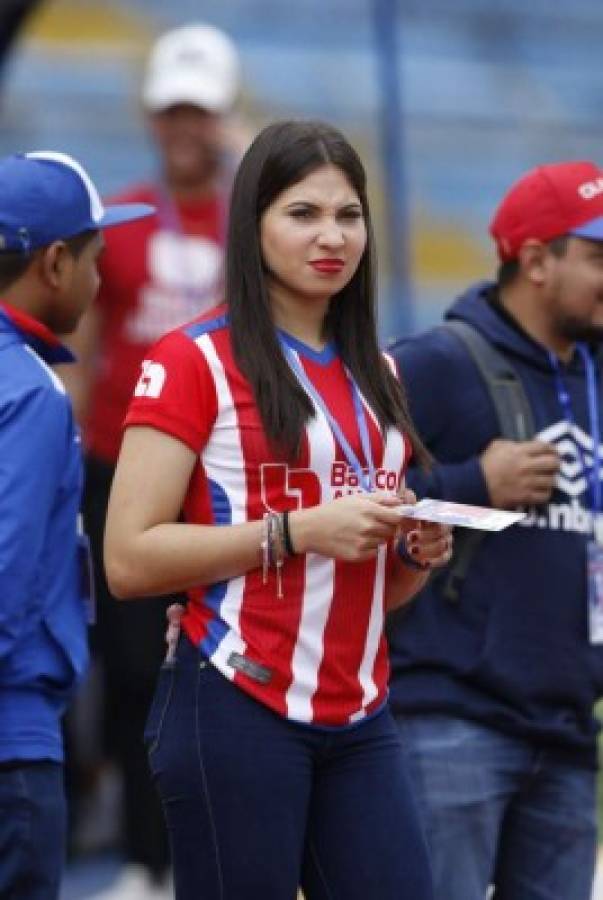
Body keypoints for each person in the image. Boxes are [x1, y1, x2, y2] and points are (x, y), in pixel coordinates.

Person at [103, 119, 453, 900]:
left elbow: (371, 591)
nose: (331, 236)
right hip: (236, 701)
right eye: (302, 213)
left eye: (348, 214)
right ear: (251, 223)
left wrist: (412, 555)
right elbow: (127, 560)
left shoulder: (383, 375)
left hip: (361, 712)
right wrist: (295, 530)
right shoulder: (191, 359)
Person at [59, 23, 245, 897]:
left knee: (226, 669)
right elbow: (82, 352)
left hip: (224, 477)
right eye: (171, 109)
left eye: (199, 113)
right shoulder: (120, 225)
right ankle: (143, 859)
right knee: (133, 669)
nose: (184, 127)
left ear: (223, 119)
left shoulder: (260, 226)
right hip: (117, 467)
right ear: (148, 114)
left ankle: (212, 853)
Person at [387, 160, 603, 900]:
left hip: (571, 734)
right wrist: (471, 484)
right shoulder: (436, 364)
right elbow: (346, 502)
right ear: (536, 260)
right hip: (451, 722)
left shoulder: (595, 374)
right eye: (598, 255)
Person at [0, 151, 153, 900]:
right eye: (96, 257)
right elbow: (6, 581)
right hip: (11, 748)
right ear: (56, 262)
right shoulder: (32, 392)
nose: (103, 279)